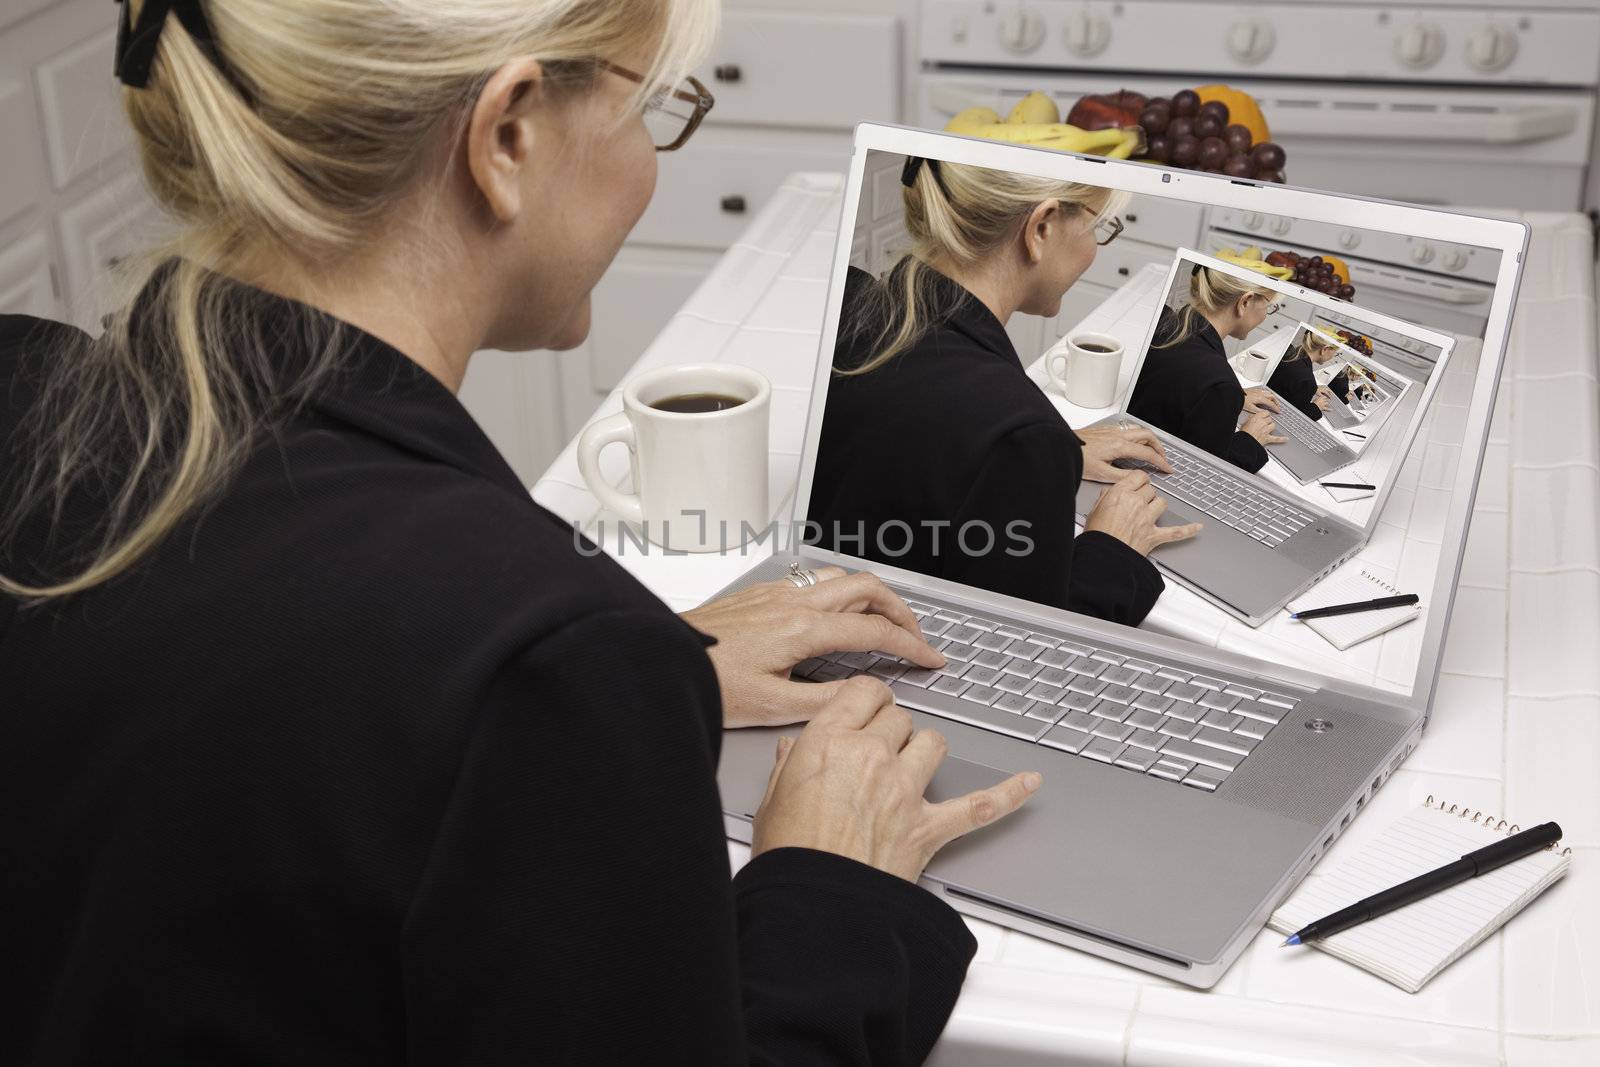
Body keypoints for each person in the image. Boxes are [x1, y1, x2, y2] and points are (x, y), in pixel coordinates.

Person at [0, 2, 1045, 1062]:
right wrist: (836, 884)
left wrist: (622, 670)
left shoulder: (26, 388)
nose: (650, 162)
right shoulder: (541, 655)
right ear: (507, 137)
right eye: (651, 111)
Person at [807, 158, 1202, 628]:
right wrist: (1112, 548)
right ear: (1041, 227)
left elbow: (911, 435)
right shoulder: (1020, 434)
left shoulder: (848, 297)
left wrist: (1054, 451)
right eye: (1098, 227)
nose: (1095, 247)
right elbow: (1025, 656)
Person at [1128, 263, 1286, 472]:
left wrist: (1228, 398)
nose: (1266, 315)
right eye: (1269, 306)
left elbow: (1174, 383)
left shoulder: (1164, 320)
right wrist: (1250, 440)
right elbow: (1205, 475)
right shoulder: (1219, 384)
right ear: (1245, 301)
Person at [1267, 325, 1343, 420]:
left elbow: (1289, 383)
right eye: (1335, 353)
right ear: (1324, 350)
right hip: (1271, 415)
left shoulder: (1291, 352)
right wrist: (1316, 407)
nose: (1333, 356)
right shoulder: (1306, 380)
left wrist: (1312, 388)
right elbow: (1296, 418)